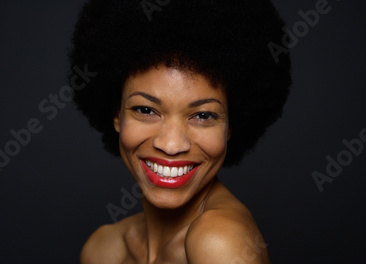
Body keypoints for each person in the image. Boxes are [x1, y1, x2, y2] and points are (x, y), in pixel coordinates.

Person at [68, 0, 291, 263]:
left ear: (230, 127)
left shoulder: (221, 241)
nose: (171, 145)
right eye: (146, 110)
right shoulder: (103, 250)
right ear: (117, 115)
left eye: (203, 115)